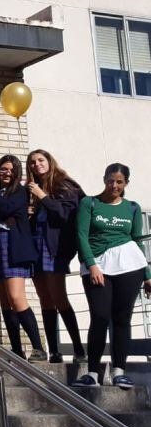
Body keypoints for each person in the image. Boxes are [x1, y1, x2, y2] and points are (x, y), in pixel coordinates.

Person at [72, 163, 151, 389]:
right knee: (99, 316)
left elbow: (137, 241)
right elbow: (81, 236)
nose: (114, 185)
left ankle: (119, 372)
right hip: (98, 266)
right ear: (104, 179)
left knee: (122, 319)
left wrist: (147, 274)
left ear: (126, 183)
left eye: (119, 181)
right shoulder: (90, 203)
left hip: (129, 265)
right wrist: (92, 265)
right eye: (110, 180)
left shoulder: (132, 208)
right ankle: (92, 373)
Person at [0, 156, 46, 362]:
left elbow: (5, 208)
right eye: (3, 169)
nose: (6, 172)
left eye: (11, 169)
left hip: (13, 246)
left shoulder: (19, 191)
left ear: (17, 173)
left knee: (17, 298)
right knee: (5, 302)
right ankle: (16, 350)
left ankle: (38, 348)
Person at [26, 149, 87, 364]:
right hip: (36, 248)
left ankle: (79, 350)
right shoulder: (33, 188)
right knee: (45, 300)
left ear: (50, 161)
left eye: (40, 160)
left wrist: (43, 197)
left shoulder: (63, 184)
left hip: (55, 249)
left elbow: (64, 214)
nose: (36, 165)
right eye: (32, 162)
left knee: (59, 297)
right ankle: (54, 351)